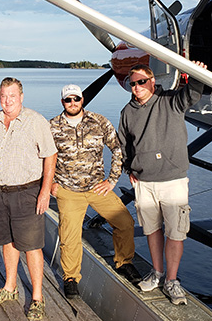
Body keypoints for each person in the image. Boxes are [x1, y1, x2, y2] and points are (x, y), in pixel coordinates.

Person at [118, 62, 206, 305]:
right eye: (132, 84)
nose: (137, 88)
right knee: (152, 230)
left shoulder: (170, 101)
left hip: (173, 181)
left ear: (152, 82)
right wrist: (129, 168)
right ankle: (157, 273)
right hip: (144, 183)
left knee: (175, 232)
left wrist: (196, 74)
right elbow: (124, 144)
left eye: (141, 82)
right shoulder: (127, 112)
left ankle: (172, 280)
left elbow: (193, 94)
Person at [49, 84, 140, 299]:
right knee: (69, 236)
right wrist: (51, 182)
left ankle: (123, 262)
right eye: (68, 100)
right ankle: (70, 278)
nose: (73, 103)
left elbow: (117, 148)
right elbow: (42, 156)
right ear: (62, 102)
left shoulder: (98, 121)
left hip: (97, 187)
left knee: (125, 223)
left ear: (83, 100)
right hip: (68, 190)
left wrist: (112, 180)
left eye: (76, 99)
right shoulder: (52, 126)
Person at [0, 77, 57, 321]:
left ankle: (37, 298)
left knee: (32, 246)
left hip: (28, 192)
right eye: (3, 95)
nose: (7, 100)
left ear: (21, 97)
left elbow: (50, 157)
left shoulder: (36, 121)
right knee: (7, 241)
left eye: (12, 96)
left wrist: (45, 191)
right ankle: (10, 287)